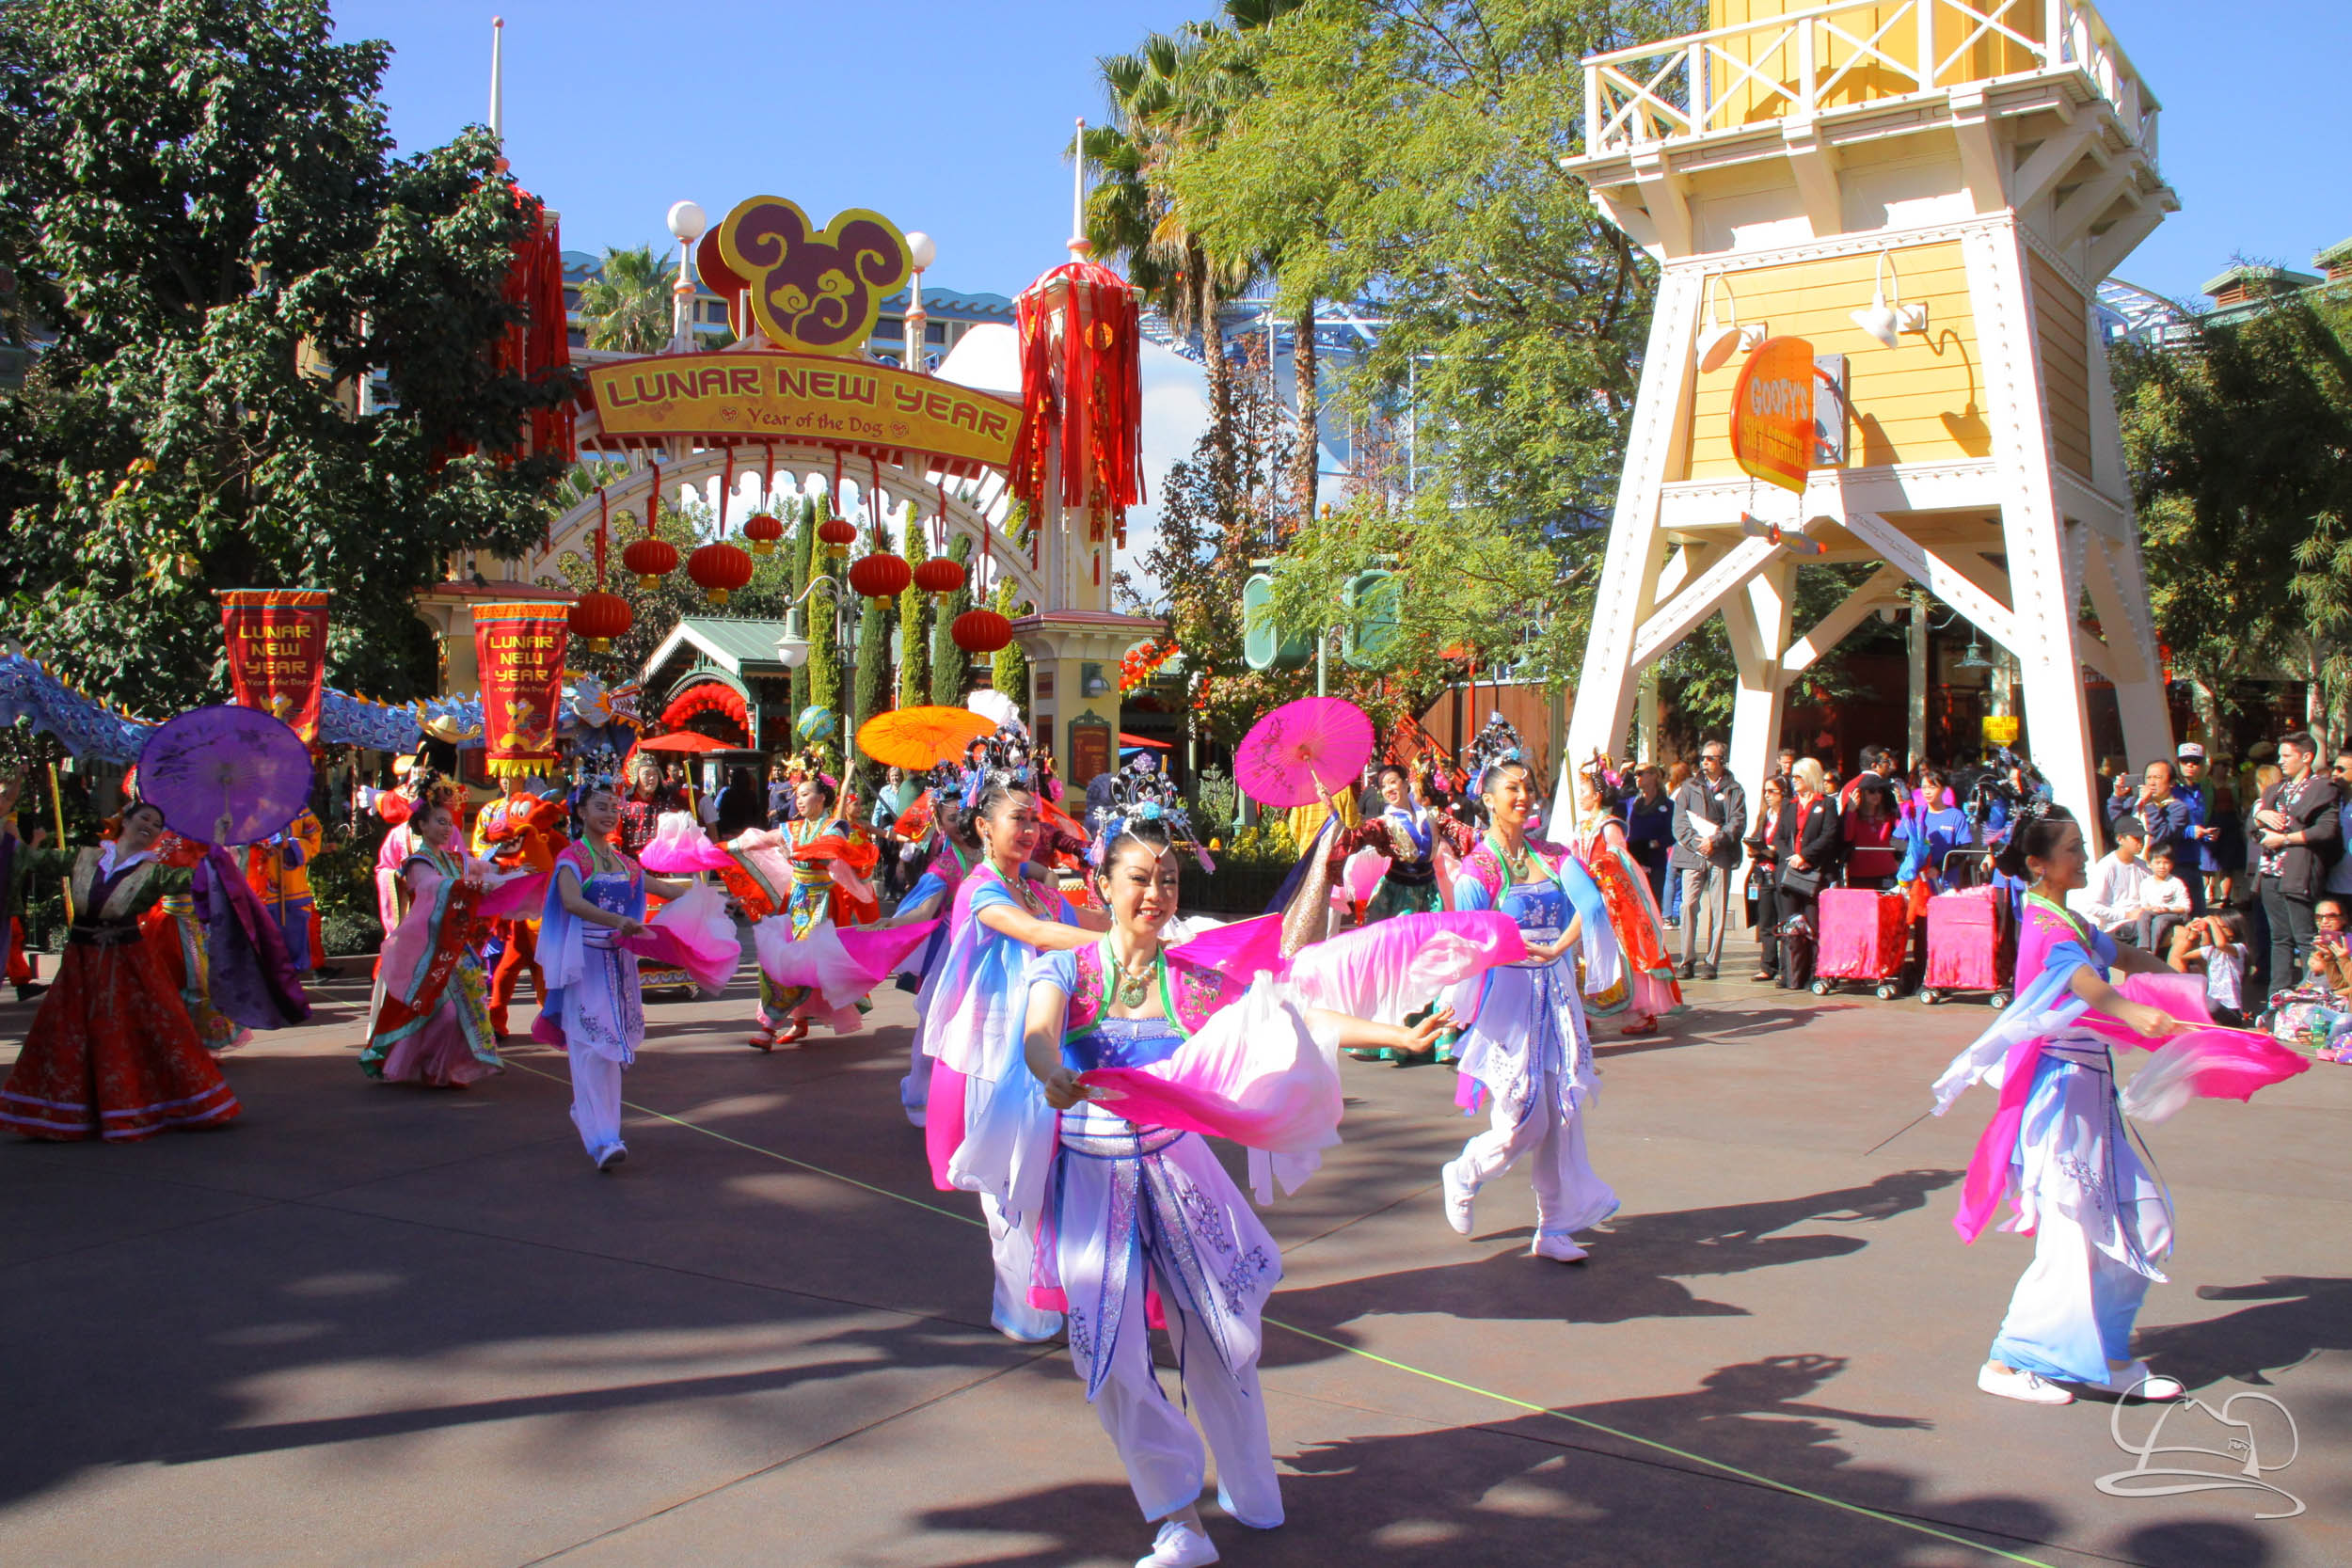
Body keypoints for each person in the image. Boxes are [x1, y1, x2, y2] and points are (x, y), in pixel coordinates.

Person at [1013, 816, 1452, 1568]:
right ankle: (1178, 1516)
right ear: (1103, 885)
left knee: (1223, 1341)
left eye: (1169, 881)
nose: (1155, 894)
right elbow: (1038, 1034)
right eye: (1140, 879)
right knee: (1110, 1358)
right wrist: (1049, 1069)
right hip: (1090, 1180)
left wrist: (1392, 1035)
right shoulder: (1069, 971)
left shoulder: (1191, 978)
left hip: (1182, 1173)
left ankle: (1249, 1482)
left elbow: (1289, 1015)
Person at [1932, 803, 2198, 1407]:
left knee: (2146, 1222)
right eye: (2074, 848)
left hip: (2091, 1096)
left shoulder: (2069, 918)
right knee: (2072, 1231)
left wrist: (2187, 992)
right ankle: (2008, 1360)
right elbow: (2083, 980)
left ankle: (2104, 1354)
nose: (2083, 856)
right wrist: (2133, 1010)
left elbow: (2123, 958)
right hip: (2060, 1096)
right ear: (2039, 864)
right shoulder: (2045, 923)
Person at [928, 779, 1110, 1343]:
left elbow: (1082, 922)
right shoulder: (980, 890)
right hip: (992, 1053)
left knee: (1053, 1171)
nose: (1032, 831)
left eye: (1036, 822)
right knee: (1008, 1183)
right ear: (984, 826)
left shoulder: (1038, 891)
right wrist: (1104, 942)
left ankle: (1051, 1289)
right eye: (1020, 821)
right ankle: (1018, 1303)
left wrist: (1143, 922)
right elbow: (1035, 934)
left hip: (1045, 1042)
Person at [1438, 758, 1619, 1261]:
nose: (1524, 796)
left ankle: (1554, 1226)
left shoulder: (1556, 856)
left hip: (1556, 995)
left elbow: (1595, 907)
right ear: (1490, 800)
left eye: (1529, 788)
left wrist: (1560, 947)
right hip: (1511, 1001)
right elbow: (1471, 944)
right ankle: (1465, 1171)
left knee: (1561, 1113)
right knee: (1526, 1120)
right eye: (1512, 789)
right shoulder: (1479, 869)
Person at [0, 794, 243, 1140]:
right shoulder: (85, 857)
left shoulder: (154, 873)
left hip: (128, 966)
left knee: (135, 1033)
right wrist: (6, 817)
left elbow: (199, 880)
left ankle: (136, 1106)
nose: (150, 827)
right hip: (79, 966)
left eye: (157, 825)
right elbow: (31, 860)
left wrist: (218, 839)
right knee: (69, 1034)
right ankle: (71, 1111)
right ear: (126, 821)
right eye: (144, 819)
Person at [535, 777, 707, 1171]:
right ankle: (601, 1137)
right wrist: (616, 919)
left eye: (614, 807)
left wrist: (707, 897)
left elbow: (660, 887)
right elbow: (570, 901)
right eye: (600, 806)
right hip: (586, 963)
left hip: (619, 963)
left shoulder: (622, 861)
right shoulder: (572, 859)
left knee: (610, 1049)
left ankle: (599, 1125)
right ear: (580, 812)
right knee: (590, 1042)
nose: (610, 813)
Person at [362, 781, 528, 1088]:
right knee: (440, 1012)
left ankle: (442, 1069)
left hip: (454, 944)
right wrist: (473, 887)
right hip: (426, 948)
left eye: (450, 823)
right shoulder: (417, 862)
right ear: (421, 824)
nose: (446, 828)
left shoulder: (455, 860)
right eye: (439, 821)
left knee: (456, 1012)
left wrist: (514, 873)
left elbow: (483, 869)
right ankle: (423, 1064)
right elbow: (430, 886)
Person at [743, 775, 882, 1049]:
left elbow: (831, 849)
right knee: (781, 961)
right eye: (797, 795)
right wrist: (723, 848)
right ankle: (796, 1022)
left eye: (805, 794)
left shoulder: (835, 826)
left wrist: (801, 852)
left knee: (802, 962)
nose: (799, 799)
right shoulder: (793, 829)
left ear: (822, 798)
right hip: (795, 901)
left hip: (822, 905)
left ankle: (770, 1028)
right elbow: (763, 839)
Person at [1565, 761, 1681, 1034]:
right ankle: (1585, 1010)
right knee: (1583, 954)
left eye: (1583, 790)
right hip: (1585, 898)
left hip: (1608, 899)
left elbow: (1619, 857)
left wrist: (1599, 867)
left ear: (1596, 795)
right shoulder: (1581, 826)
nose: (1580, 796)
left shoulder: (1609, 825)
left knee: (1620, 953)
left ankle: (1641, 1011)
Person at [2252, 731, 2339, 1002]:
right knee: (2279, 938)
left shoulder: (2322, 788)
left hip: (2299, 872)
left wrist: (2285, 838)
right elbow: (2252, 829)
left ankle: (2311, 994)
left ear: (2306, 757)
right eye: (2280, 756)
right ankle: (2276, 998)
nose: (2281, 761)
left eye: (2287, 755)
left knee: (2305, 937)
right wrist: (2259, 816)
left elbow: (2326, 830)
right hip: (2270, 872)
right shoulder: (2275, 789)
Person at [1668, 741, 1745, 981]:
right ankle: (1687, 960)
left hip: (1720, 853)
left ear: (1722, 760)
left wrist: (1716, 841)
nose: (1705, 763)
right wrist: (1697, 842)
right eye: (1703, 758)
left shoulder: (1734, 789)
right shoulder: (1688, 787)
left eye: (1710, 758)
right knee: (1688, 905)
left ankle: (1711, 961)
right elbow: (1679, 822)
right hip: (1693, 854)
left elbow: (1737, 822)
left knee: (1718, 909)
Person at [1775, 758, 1840, 987]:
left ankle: (1816, 973)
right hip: (1790, 872)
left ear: (1810, 777)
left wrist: (1806, 856)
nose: (1794, 782)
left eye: (1798, 777)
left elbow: (1829, 835)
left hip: (1815, 872)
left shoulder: (1827, 804)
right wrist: (1791, 858)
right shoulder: (1789, 805)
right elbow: (1779, 837)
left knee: (1813, 926)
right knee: (1791, 926)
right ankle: (1792, 974)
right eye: (1793, 778)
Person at [246, 806, 325, 977]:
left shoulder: (299, 809)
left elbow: (314, 840)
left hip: (292, 888)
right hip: (257, 888)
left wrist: (290, 845)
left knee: (294, 938)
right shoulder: (243, 808)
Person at [2067, 816, 2152, 942]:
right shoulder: (2106, 866)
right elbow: (2091, 906)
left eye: (2142, 838)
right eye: (2136, 838)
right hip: (2118, 928)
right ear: (2120, 839)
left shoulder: (2143, 866)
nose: (2141, 843)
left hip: (2144, 922)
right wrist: (2127, 914)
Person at [2166, 910, 2249, 1026]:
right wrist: (2192, 934)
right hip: (2213, 1005)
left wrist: (2211, 921)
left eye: (2221, 927)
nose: (2216, 930)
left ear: (2233, 930)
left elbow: (2221, 944)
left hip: (2230, 1011)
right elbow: (2180, 957)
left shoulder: (2239, 949)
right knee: (2193, 982)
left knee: (2207, 1004)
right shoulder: (2212, 951)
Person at [1744, 776, 1788, 983]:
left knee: (1785, 922)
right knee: (1765, 922)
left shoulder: (1788, 815)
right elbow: (1757, 837)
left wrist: (1773, 851)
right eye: (1765, 791)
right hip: (1762, 873)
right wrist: (1754, 849)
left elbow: (1789, 844)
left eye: (1772, 792)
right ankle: (1768, 965)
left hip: (1781, 872)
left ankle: (1787, 967)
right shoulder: (1765, 815)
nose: (1767, 796)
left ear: (1783, 794)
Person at [1622, 765, 1674, 912]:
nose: (1636, 777)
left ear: (1653, 776)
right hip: (1633, 859)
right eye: (1635, 774)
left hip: (1655, 862)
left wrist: (1655, 843)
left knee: (1652, 906)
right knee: (1634, 906)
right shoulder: (1632, 803)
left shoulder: (1668, 806)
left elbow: (1673, 834)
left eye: (1640, 773)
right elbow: (1612, 802)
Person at [1841, 779, 1900, 890]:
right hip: (1860, 873)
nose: (1877, 794)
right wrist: (1851, 812)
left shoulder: (1889, 816)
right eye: (1872, 791)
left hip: (1887, 871)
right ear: (1861, 794)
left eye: (1879, 791)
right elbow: (1847, 836)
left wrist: (1901, 804)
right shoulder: (1854, 816)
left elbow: (1904, 832)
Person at [2135, 846, 2192, 954]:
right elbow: (2144, 905)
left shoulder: (2176, 883)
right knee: (2143, 915)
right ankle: (2144, 947)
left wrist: (2168, 909)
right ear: (2150, 864)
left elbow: (2186, 907)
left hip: (2174, 914)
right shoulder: (2146, 883)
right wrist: (2153, 908)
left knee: (2159, 921)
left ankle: (2153, 952)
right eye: (2158, 862)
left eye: (2166, 862)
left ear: (2172, 865)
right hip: (2155, 911)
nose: (2162, 866)